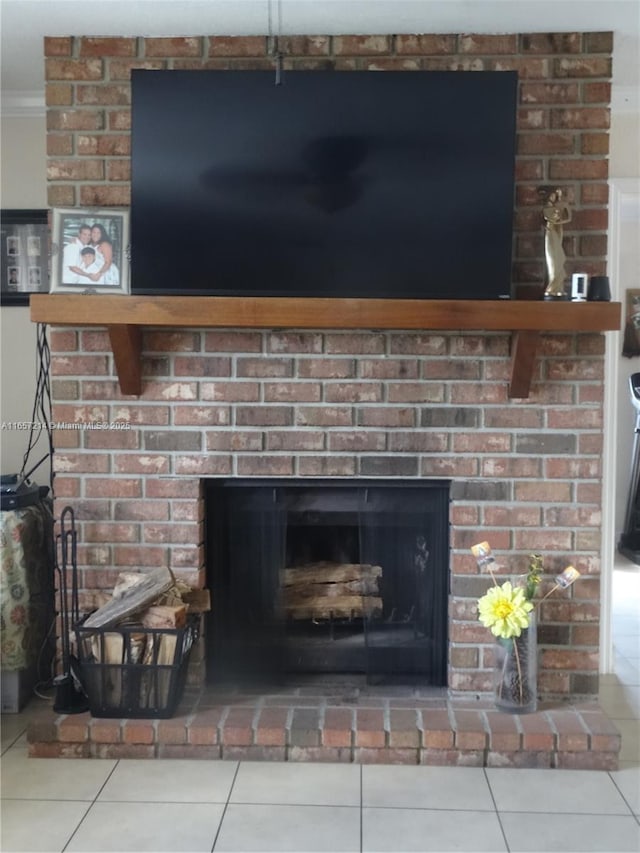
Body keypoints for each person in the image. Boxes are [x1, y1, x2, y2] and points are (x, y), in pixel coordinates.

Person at [541, 188, 571, 299]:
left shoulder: (557, 207)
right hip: (550, 232)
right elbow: (549, 218)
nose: (553, 198)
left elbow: (568, 217)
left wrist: (559, 221)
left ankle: (557, 287)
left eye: (554, 196)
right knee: (552, 258)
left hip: (556, 232)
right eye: (551, 196)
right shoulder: (547, 209)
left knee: (557, 257)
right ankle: (552, 287)